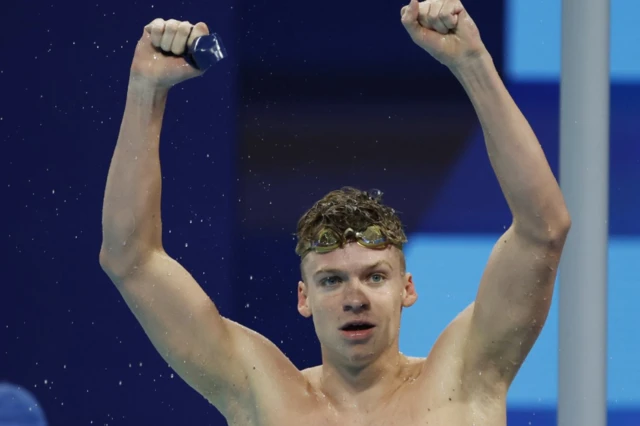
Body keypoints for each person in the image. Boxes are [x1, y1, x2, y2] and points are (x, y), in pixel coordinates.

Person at [99, 0, 571, 424]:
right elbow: (130, 258)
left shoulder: (465, 379)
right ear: (303, 298)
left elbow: (544, 229)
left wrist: (473, 64)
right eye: (331, 280)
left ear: (407, 288)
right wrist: (145, 90)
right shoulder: (263, 395)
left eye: (375, 276)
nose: (354, 297)